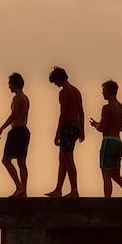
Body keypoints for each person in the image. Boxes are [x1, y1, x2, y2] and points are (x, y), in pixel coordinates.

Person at [90, 80, 122, 198]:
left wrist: (96, 125)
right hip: (118, 142)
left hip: (108, 142)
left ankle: (107, 201)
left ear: (109, 92)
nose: (102, 93)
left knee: (106, 175)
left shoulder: (107, 108)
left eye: (103, 91)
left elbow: (102, 128)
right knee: (116, 176)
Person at [45, 66, 84, 198]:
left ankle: (74, 190)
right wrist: (82, 130)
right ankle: (58, 189)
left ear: (59, 79)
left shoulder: (64, 92)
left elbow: (63, 114)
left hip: (68, 126)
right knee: (63, 158)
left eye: (55, 82)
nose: (55, 85)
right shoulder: (76, 91)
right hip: (76, 125)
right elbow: (81, 112)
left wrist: (57, 134)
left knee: (67, 158)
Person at [0, 73, 31, 198]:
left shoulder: (18, 98)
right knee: (21, 162)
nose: (8, 87)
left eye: (9, 84)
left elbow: (14, 115)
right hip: (23, 131)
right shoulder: (25, 98)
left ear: (14, 84)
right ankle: (23, 191)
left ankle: (19, 187)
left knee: (6, 160)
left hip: (18, 131)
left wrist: (1, 128)